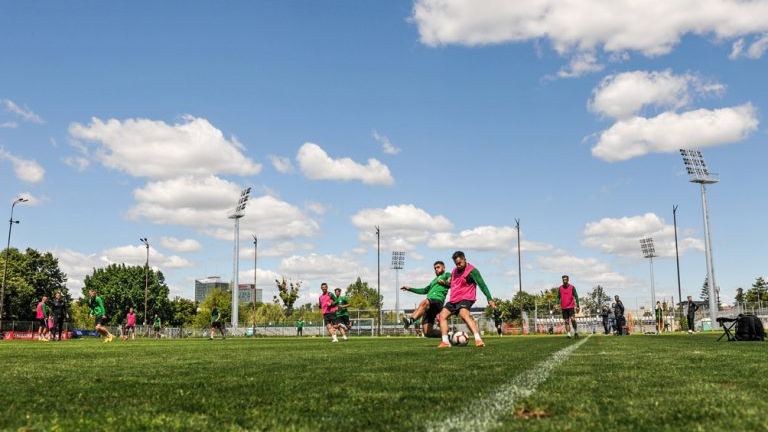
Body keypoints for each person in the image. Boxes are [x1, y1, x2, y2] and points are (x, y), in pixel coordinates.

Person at [437, 251, 496, 348]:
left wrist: (489, 298)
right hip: (454, 299)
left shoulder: (473, 271)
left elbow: (483, 285)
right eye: (456, 264)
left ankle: (478, 340)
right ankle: (445, 342)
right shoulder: (454, 271)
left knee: (463, 314)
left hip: (466, 298)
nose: (458, 265)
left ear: (465, 259)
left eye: (460, 263)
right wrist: (444, 283)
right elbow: (452, 285)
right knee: (442, 315)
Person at [401, 260, 451, 338]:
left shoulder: (447, 275)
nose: (436, 269)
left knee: (425, 302)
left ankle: (410, 320)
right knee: (427, 332)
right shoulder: (433, 281)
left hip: (437, 301)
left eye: (438, 267)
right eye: (435, 268)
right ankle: (448, 336)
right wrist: (410, 288)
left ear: (443, 268)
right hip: (429, 307)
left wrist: (444, 283)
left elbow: (451, 283)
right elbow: (423, 290)